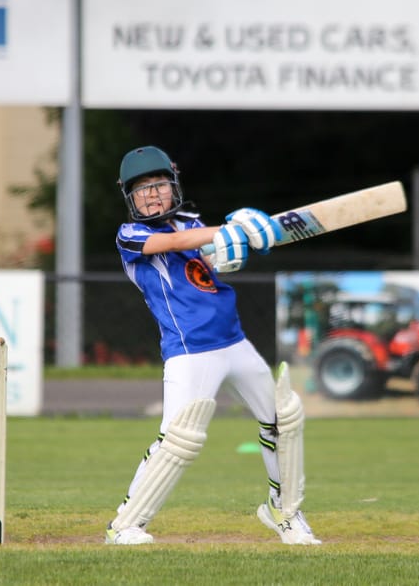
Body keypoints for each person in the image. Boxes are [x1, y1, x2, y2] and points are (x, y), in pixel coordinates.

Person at [105, 145, 321, 546]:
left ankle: (285, 513)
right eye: (142, 190)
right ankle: (125, 525)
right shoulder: (131, 235)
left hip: (234, 341)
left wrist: (244, 239)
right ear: (129, 198)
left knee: (283, 420)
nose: (151, 195)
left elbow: (217, 259)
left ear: (173, 185)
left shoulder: (190, 221)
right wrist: (226, 230)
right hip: (190, 351)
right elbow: (174, 244)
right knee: (178, 439)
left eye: (158, 185)